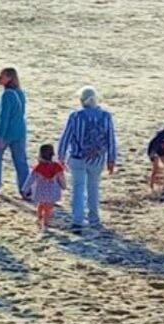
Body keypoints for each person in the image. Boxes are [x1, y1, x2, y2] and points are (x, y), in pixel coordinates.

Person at [57, 86, 118, 233]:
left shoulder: (75, 116)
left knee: (78, 189)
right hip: (97, 158)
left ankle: (77, 220)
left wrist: (61, 156)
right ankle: (94, 219)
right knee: (93, 188)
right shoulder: (105, 116)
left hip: (77, 157)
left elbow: (66, 136)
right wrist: (111, 159)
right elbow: (111, 138)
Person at [0, 68, 29, 195]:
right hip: (20, 131)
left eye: (1, 76)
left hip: (6, 133)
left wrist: (0, 136)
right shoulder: (20, 92)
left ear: (9, 78)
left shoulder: (6, 94)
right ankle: (26, 188)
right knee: (21, 161)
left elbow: (3, 117)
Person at [22, 144, 67, 232]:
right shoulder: (57, 167)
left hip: (40, 192)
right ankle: (45, 223)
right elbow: (61, 178)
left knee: (41, 204)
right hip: (52, 192)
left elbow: (30, 179)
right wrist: (63, 186)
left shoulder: (38, 167)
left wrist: (25, 189)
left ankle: (39, 218)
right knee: (48, 208)